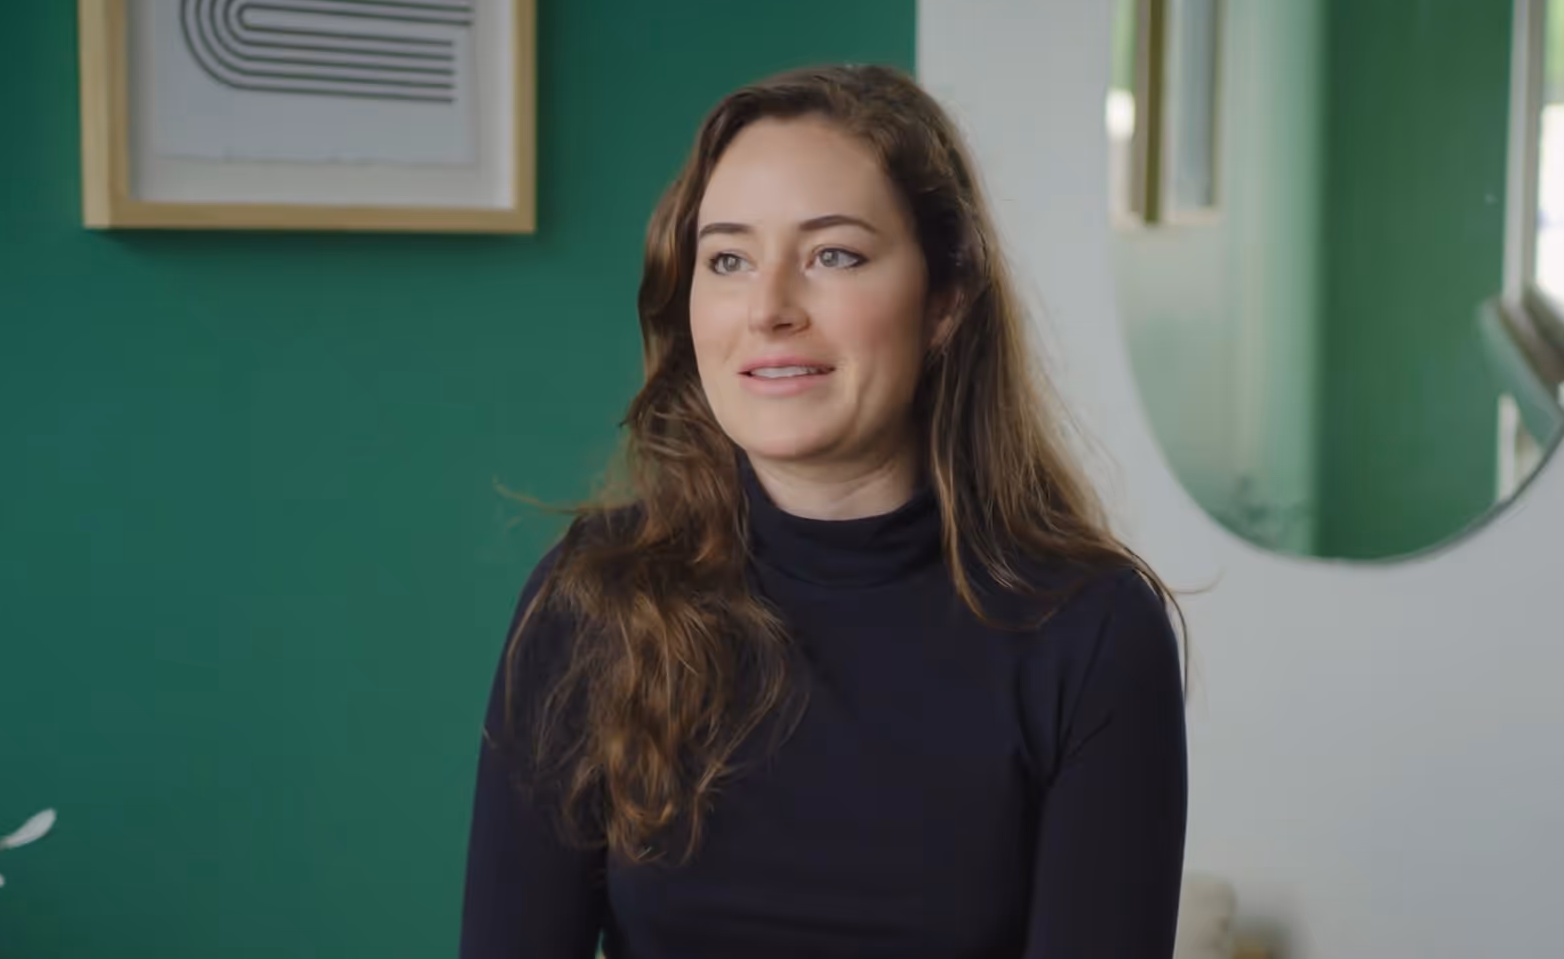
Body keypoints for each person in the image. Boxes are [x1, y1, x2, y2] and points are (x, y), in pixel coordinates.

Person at [459, 63, 1189, 959]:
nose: (768, 309)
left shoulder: (1092, 630)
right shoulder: (590, 603)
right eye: (728, 260)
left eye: (832, 256)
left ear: (946, 301)